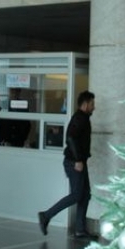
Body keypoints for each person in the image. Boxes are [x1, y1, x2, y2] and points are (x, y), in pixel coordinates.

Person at [37, 90, 96, 239]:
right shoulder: (79, 118)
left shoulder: (83, 118)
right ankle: (46, 215)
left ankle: (80, 229)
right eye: (92, 104)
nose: (94, 107)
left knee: (85, 194)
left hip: (79, 161)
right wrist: (77, 160)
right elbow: (70, 138)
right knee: (77, 194)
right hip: (74, 162)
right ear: (86, 103)